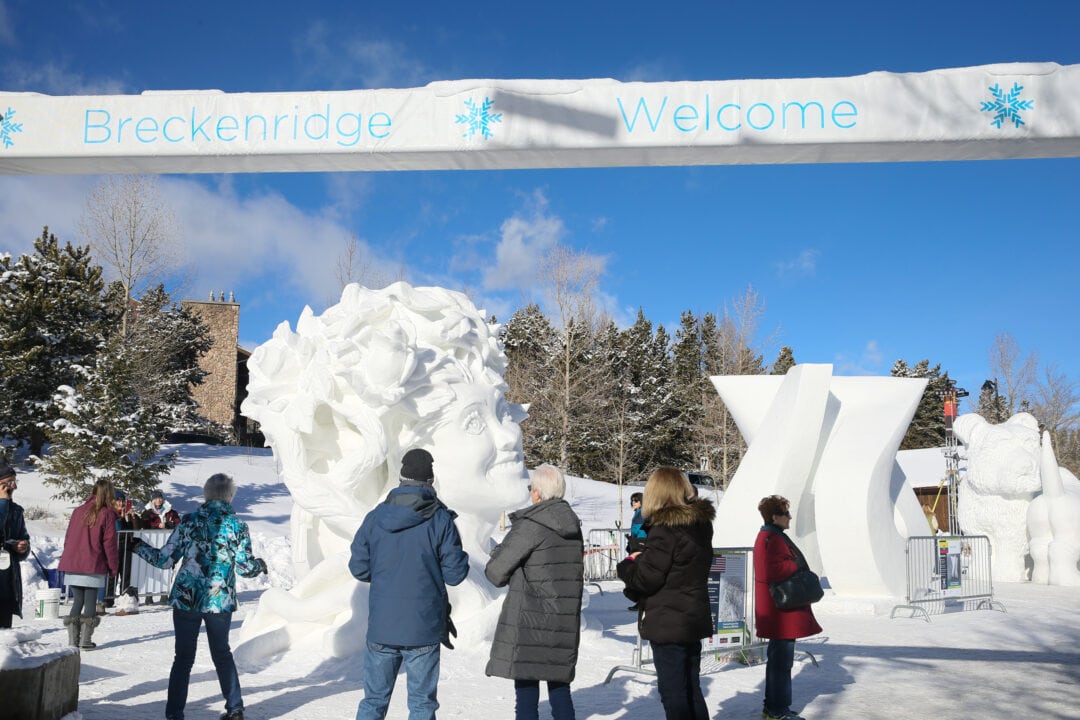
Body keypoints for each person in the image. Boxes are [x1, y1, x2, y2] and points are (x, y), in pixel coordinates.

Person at [131, 473, 268, 720]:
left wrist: (139, 546)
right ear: (230, 496)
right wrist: (259, 564)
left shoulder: (189, 521)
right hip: (219, 599)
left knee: (183, 658)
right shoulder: (237, 526)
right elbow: (245, 568)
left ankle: (174, 714)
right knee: (222, 654)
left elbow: (164, 559)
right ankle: (235, 709)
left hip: (187, 597)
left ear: (206, 494)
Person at [349, 448, 470, 720]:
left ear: (401, 478)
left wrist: (385, 574)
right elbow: (455, 574)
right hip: (424, 627)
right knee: (421, 705)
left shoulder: (375, 517)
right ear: (430, 481)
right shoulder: (441, 520)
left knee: (373, 701)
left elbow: (358, 568)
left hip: (382, 625)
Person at [485, 464, 584, 720]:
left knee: (527, 693)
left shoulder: (530, 525)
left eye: (531, 488)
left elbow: (496, 572)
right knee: (560, 689)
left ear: (538, 493)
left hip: (530, 621)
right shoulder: (572, 526)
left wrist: (498, 552)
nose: (530, 493)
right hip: (562, 620)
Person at [617, 467, 714, 720]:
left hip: (669, 620)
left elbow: (647, 577)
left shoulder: (666, 530)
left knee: (674, 693)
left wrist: (628, 564)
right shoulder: (698, 526)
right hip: (691, 616)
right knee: (691, 687)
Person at [754, 495, 822, 720]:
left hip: (780, 610)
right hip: (780, 612)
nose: (790, 517)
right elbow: (769, 571)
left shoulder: (772, 536)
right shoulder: (770, 538)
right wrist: (796, 564)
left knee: (780, 662)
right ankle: (777, 710)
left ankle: (774, 707)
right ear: (775, 517)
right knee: (781, 664)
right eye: (786, 513)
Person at [57, 478, 119, 648]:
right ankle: (85, 640)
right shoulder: (107, 514)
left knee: (78, 600)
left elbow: (68, 537)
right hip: (93, 562)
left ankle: (72, 641)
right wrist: (113, 567)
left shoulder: (78, 511)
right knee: (90, 600)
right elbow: (110, 544)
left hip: (74, 562)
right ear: (109, 494)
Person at [0, 463, 30, 629]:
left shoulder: (16, 511)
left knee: (4, 639)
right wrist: (2, 503)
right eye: (10, 482)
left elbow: (24, 538)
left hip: (7, 584)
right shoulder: (4, 505)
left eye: (15, 482)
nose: (14, 487)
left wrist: (23, 547)